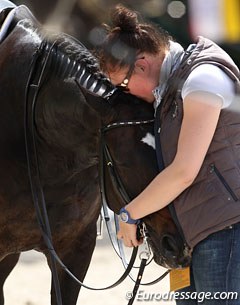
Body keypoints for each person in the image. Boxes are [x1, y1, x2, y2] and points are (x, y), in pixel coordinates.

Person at [97, 4, 240, 305]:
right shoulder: (168, 95)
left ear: (142, 65)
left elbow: (184, 171)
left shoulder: (203, 78)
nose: (126, 94)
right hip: (192, 238)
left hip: (226, 233)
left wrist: (129, 214)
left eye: (122, 85)